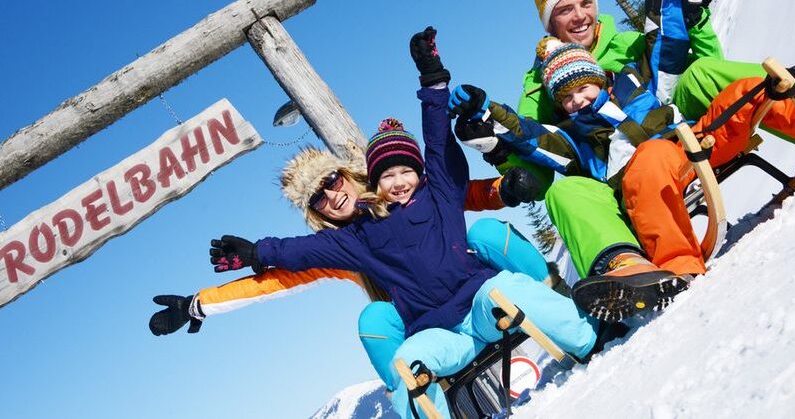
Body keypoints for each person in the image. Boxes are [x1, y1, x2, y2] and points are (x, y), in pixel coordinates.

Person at [204, 27, 605, 418]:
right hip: (442, 336)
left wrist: (433, 82)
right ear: (373, 184)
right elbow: (300, 252)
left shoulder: (440, 193)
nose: (397, 182)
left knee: (510, 287)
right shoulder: (355, 238)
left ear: (418, 173)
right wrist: (256, 252)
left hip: (484, 304)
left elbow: (437, 142)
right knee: (408, 364)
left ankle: (588, 339)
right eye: (386, 176)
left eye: (404, 172)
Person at [452, 14, 795, 322]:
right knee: (646, 159)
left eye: (582, 88)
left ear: (600, 79)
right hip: (643, 182)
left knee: (746, 91)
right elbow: (530, 135)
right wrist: (487, 114)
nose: (577, 101)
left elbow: (664, 48)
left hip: (692, 147)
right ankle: (669, 267)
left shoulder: (633, 84)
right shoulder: (573, 137)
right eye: (566, 98)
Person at [149, 144, 559, 390]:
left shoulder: (395, 190)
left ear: (345, 173)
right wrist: (197, 304)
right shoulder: (339, 248)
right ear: (315, 213)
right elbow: (270, 281)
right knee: (375, 316)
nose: (331, 194)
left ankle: (554, 297)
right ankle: (417, 395)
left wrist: (501, 190)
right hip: (426, 320)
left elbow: (456, 194)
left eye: (331, 180)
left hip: (476, 286)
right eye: (318, 198)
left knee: (483, 234)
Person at [503, 0, 766, 197]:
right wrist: (502, 156)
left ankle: (789, 94)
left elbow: (694, 65)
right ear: (549, 23)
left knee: (702, 72)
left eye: (585, 3)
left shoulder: (625, 43)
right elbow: (533, 144)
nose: (580, 16)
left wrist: (695, 18)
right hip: (615, 168)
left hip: (671, 126)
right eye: (564, 10)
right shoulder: (540, 85)